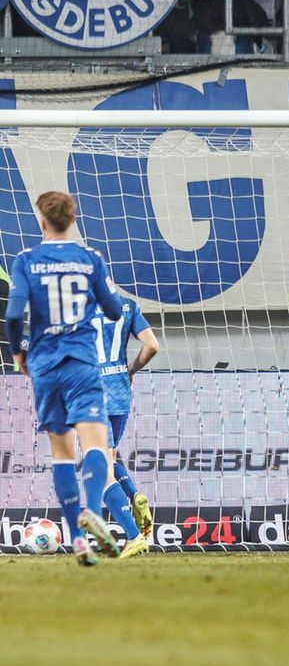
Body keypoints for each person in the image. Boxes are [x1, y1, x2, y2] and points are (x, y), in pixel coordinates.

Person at [4, 191, 126, 566]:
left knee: (60, 451)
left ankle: (77, 539)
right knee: (95, 442)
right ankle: (94, 511)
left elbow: (13, 314)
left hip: (43, 364)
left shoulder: (25, 260)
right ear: (71, 220)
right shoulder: (90, 259)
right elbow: (114, 309)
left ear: (42, 221)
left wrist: (18, 352)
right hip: (81, 362)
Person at [95, 278, 159, 559]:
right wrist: (131, 368)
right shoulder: (128, 305)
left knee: (100, 470)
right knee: (107, 458)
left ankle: (133, 536)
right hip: (121, 392)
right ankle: (134, 495)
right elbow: (152, 346)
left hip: (92, 394)